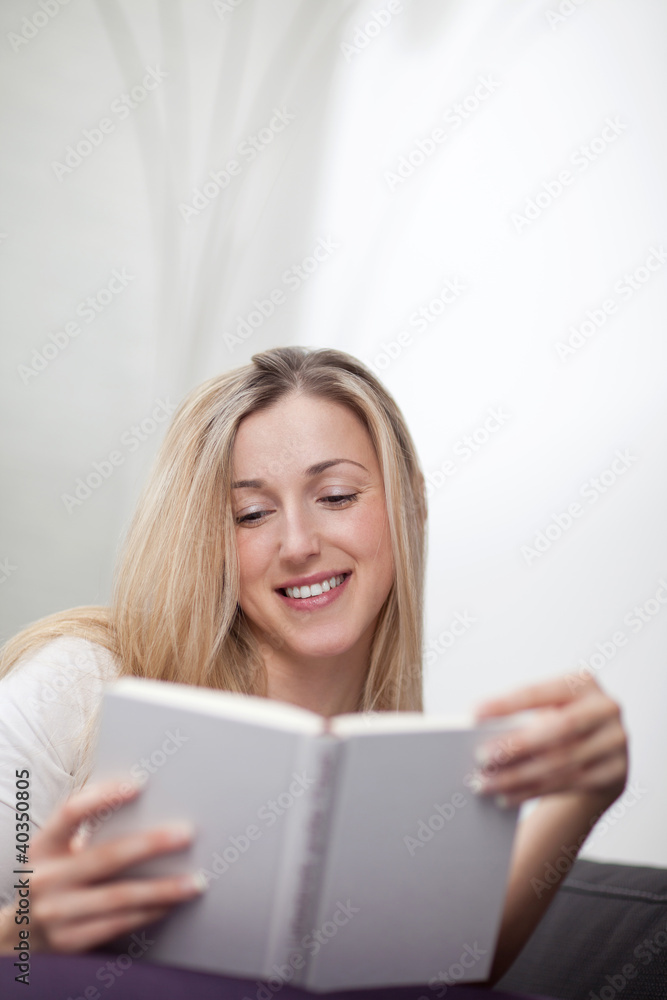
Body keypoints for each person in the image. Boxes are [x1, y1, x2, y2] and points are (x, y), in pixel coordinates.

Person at [0, 346, 627, 981]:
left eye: (336, 496)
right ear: (208, 542)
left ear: (411, 504)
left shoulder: (399, 759)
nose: (298, 544)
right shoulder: (79, 686)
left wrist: (585, 796)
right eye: (252, 514)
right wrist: (24, 930)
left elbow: (450, 970)